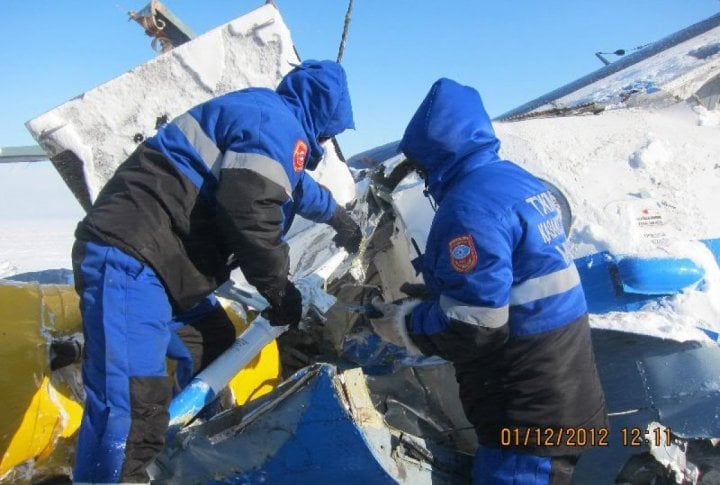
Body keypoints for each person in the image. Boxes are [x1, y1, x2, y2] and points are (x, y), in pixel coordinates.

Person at [71, 59, 361, 483]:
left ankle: (196, 446)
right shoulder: (277, 125)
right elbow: (251, 209)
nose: (327, 138)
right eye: (330, 128)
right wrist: (280, 292)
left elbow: (296, 190)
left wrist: (340, 219)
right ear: (321, 113)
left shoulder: (271, 123)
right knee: (131, 408)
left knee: (215, 343)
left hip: (169, 265)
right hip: (133, 258)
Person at [370, 78, 607, 484]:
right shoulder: (518, 182)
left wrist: (401, 324)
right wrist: (441, 291)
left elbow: (475, 328)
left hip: (528, 419)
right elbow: (518, 277)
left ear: (433, 154)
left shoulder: (468, 208)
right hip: (569, 394)